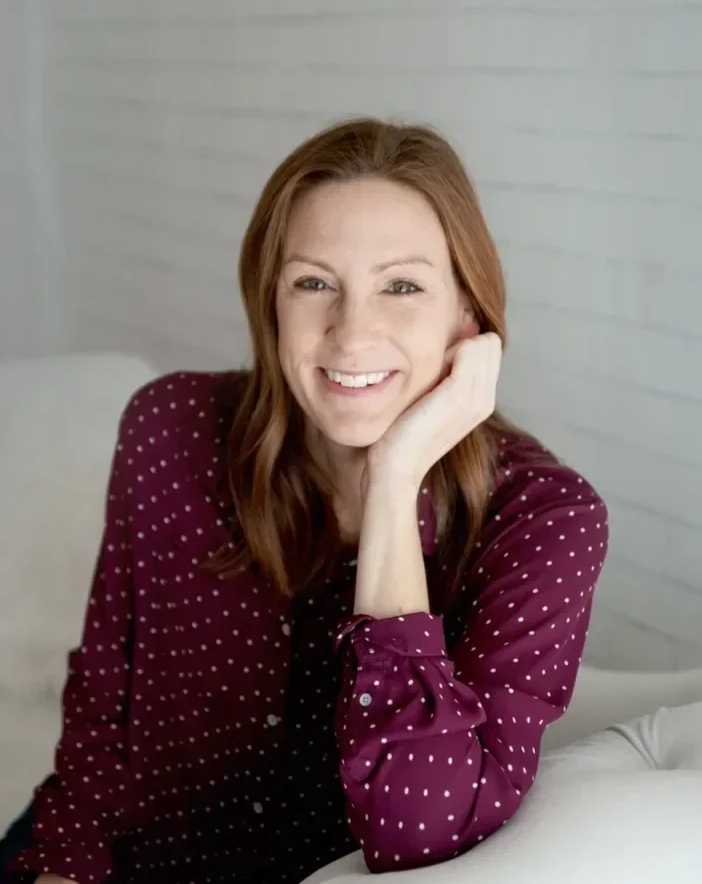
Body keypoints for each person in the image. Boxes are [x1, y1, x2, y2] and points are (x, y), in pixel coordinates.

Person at [2, 118, 610, 884]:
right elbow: (99, 722)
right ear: (273, 302)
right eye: (315, 282)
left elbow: (415, 833)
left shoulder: (545, 521)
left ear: (468, 314)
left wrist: (392, 481)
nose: (352, 334)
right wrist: (64, 869)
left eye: (402, 285)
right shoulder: (169, 429)